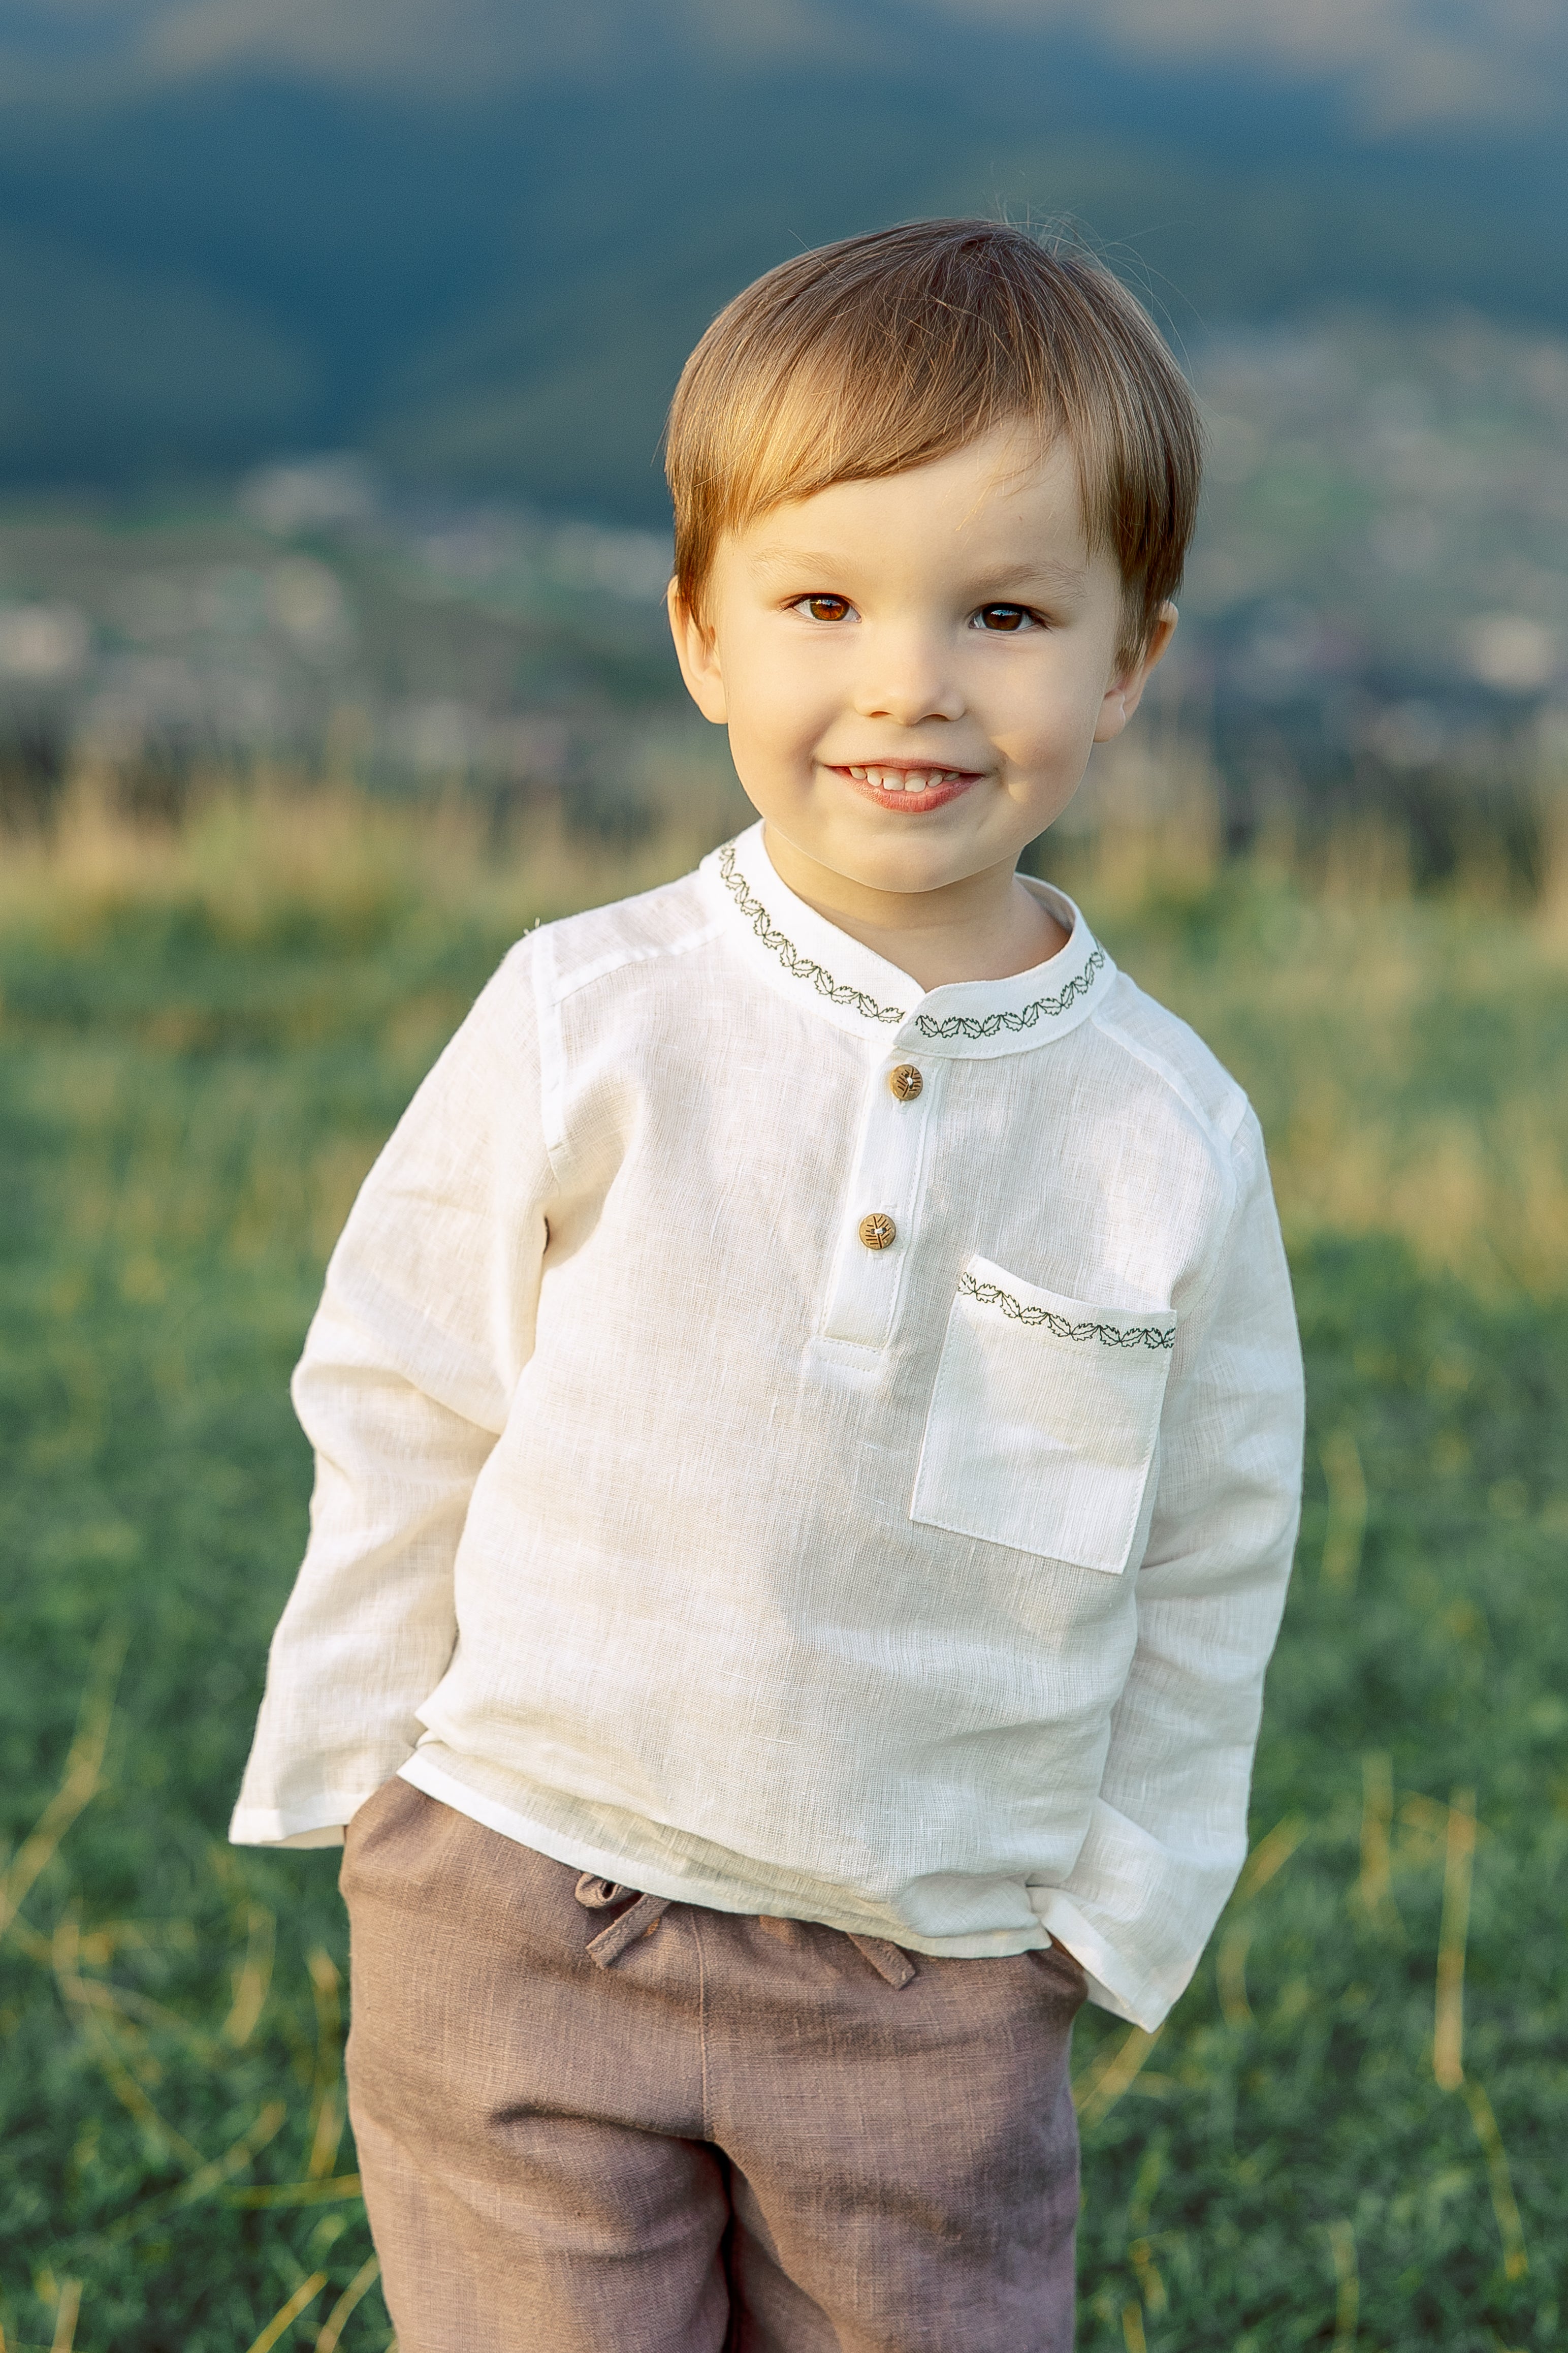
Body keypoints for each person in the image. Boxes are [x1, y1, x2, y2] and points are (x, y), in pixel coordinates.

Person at [231, 218, 1304, 2351]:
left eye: (1002, 612)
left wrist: (1114, 1911)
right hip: (522, 1891)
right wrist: (367, 1778)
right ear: (702, 634)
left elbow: (1208, 1548)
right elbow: (407, 1382)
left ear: (1127, 660)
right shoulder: (588, 1011)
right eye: (822, 604)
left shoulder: (1160, 1135)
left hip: (925, 1970)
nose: (906, 681)